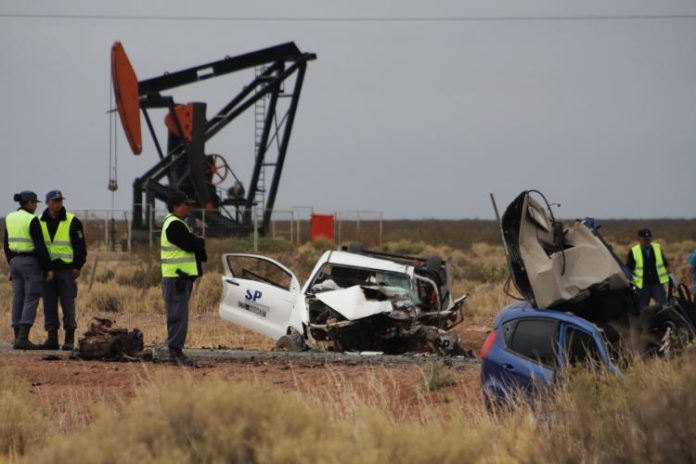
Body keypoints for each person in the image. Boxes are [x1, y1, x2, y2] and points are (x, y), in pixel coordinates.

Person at [160, 191, 206, 365]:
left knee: (180, 316)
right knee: (177, 316)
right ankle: (175, 353)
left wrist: (196, 241)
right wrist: (198, 241)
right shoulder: (174, 225)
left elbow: (191, 244)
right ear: (176, 206)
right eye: (186, 204)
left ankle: (176, 351)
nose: (189, 208)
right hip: (176, 279)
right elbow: (190, 244)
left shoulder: (179, 224)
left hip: (180, 279)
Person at [3, 191, 53, 349]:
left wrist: (11, 260)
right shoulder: (32, 219)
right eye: (35, 203)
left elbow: (6, 242)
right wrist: (47, 268)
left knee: (18, 297)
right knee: (32, 297)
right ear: (29, 203)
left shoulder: (10, 218)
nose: (36, 205)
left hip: (15, 262)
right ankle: (23, 337)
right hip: (30, 262)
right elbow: (40, 245)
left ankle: (17, 336)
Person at [39, 190, 87, 350]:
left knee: (68, 305)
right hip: (47, 271)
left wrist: (77, 266)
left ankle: (69, 339)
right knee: (49, 305)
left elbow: (81, 247)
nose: (58, 203)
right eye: (55, 201)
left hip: (66, 271)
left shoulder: (72, 221)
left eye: (60, 200)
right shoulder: (38, 221)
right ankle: (52, 339)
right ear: (48, 203)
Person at [625, 228, 670, 308]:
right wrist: (629, 281)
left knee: (664, 306)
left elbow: (665, 264)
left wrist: (671, 276)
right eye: (644, 238)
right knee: (642, 309)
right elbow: (629, 268)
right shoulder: (634, 251)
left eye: (649, 238)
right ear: (639, 239)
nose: (647, 240)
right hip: (642, 286)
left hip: (657, 284)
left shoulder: (657, 248)